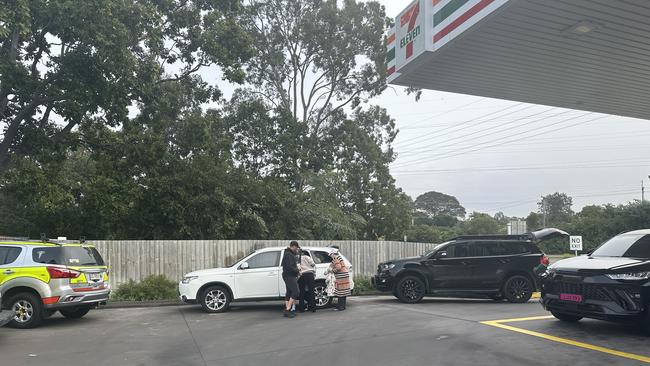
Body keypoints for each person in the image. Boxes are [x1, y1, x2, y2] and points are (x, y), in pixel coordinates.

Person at [282, 241, 301, 318]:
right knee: (296, 291)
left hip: (287, 275)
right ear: (293, 246)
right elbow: (290, 267)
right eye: (296, 248)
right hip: (289, 276)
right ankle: (287, 310)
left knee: (289, 292)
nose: (296, 249)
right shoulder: (288, 254)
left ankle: (288, 310)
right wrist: (298, 271)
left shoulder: (288, 254)